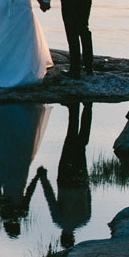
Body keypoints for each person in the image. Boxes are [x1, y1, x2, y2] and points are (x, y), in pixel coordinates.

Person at [36, 101, 93, 248]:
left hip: (80, 180)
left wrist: (86, 182)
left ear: (72, 238)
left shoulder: (84, 220)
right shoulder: (60, 220)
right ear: (63, 236)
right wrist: (43, 178)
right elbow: (50, 197)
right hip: (66, 180)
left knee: (81, 145)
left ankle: (87, 107)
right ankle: (75, 108)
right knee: (71, 139)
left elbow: (89, 197)